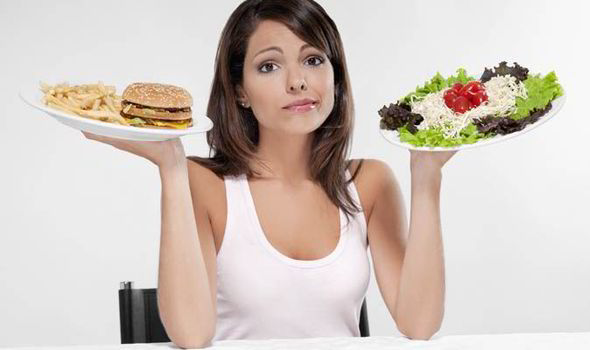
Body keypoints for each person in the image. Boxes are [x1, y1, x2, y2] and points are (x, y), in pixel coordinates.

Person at [83, 0, 456, 348]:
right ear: (240, 90)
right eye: (269, 66)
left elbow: (418, 325)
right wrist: (171, 165)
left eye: (313, 60)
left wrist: (426, 173)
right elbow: (191, 335)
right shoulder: (204, 183)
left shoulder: (369, 182)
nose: (297, 81)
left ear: (336, 77)